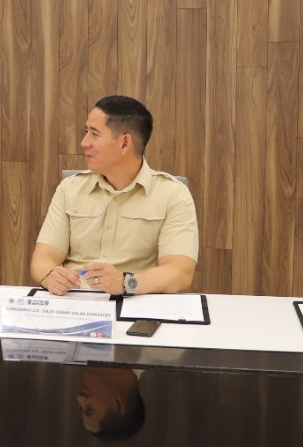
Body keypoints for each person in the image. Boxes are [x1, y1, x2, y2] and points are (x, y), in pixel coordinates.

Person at [30, 95, 198, 296]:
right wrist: (50, 277)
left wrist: (127, 283)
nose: (84, 143)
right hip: (73, 301)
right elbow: (43, 258)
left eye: (94, 134)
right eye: (86, 132)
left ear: (124, 143)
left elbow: (180, 273)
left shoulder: (173, 194)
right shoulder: (70, 188)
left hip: (134, 303)